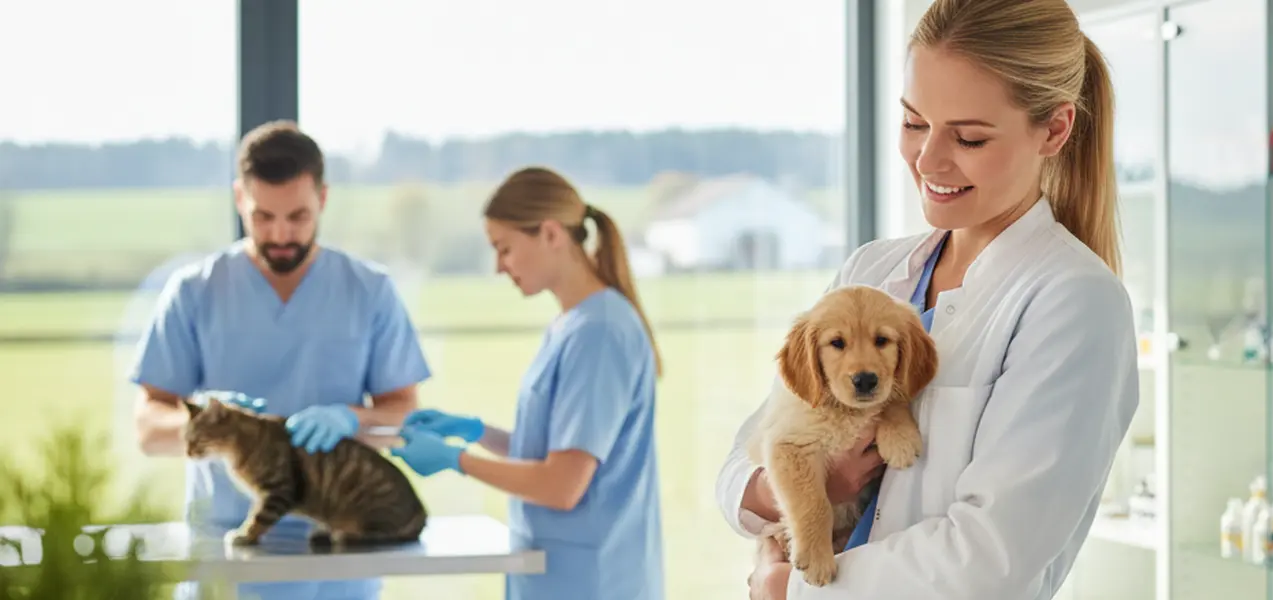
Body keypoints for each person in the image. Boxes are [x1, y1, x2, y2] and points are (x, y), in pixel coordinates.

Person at [719, 1, 1140, 598]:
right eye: (914, 123)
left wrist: (786, 588)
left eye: (968, 137)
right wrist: (804, 490)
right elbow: (748, 452)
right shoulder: (871, 270)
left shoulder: (1075, 303)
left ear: (1054, 130)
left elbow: (990, 556)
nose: (927, 159)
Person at [130, 120, 432, 600]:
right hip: (226, 551)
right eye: (263, 216)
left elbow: (404, 420)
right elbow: (148, 427)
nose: (281, 234)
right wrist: (216, 427)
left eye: (298, 216)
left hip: (340, 556)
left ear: (323, 199)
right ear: (238, 199)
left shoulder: (368, 292)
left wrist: (349, 418)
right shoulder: (195, 292)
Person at [388, 166, 665, 600]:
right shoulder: (571, 325)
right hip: (554, 576)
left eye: (505, 248)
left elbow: (562, 484)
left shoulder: (600, 332)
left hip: (593, 582)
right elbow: (558, 451)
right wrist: (478, 432)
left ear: (551, 234)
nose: (500, 267)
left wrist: (456, 460)